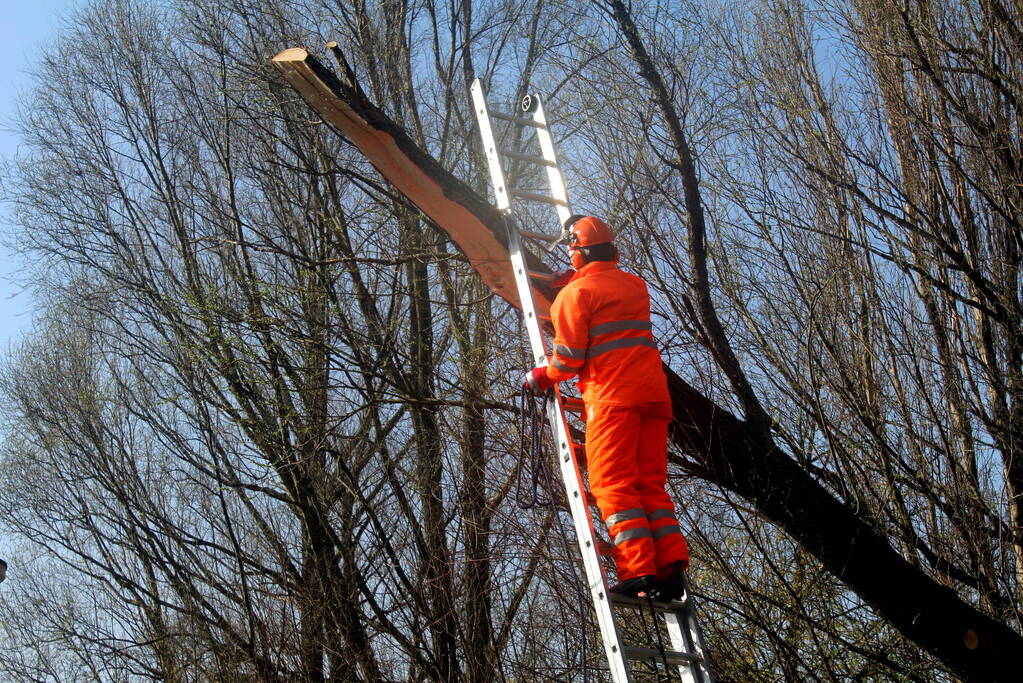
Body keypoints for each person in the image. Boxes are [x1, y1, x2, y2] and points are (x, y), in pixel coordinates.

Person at [523, 215, 689, 600]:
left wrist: (540, 377)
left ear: (577, 253)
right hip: (653, 397)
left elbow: (567, 363)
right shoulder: (635, 285)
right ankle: (670, 569)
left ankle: (637, 569)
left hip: (613, 398)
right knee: (649, 483)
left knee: (611, 483)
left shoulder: (574, 296)